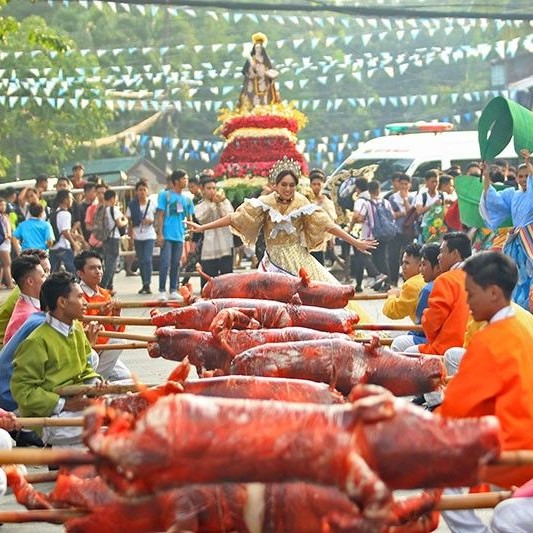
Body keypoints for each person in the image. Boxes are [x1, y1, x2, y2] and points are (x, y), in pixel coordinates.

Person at [439, 252, 533, 532]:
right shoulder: (524, 324)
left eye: (471, 295)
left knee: (441, 473)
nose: (467, 303)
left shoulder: (490, 341)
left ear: (494, 293)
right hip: (520, 440)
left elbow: (457, 408)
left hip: (515, 449)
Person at [187, 156, 376, 284]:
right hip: (272, 261)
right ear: (275, 185)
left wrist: (355, 241)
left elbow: (327, 224)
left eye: (292, 185)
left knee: (325, 290)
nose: (287, 189)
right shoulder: (265, 202)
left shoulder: (302, 202)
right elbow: (234, 218)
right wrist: (203, 228)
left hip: (298, 259)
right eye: (284, 185)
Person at [11, 272, 102, 446]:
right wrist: (65, 404)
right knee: (102, 424)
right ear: (62, 302)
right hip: (48, 417)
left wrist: (95, 384)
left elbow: (85, 369)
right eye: (80, 297)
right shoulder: (36, 342)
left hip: (72, 405)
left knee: (117, 408)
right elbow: (23, 391)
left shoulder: (75, 328)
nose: (85, 303)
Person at [398, 232, 471, 356]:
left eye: (442, 252)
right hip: (472, 345)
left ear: (455, 254)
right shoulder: (478, 276)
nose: (439, 257)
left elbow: (431, 324)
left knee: (405, 354)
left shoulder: (446, 280)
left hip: (447, 347)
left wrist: (426, 315)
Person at [480, 150, 533, 310]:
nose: (523, 179)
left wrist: (528, 160)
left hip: (530, 239)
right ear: (516, 178)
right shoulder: (512, 194)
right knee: (515, 277)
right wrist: (486, 175)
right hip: (516, 242)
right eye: (520, 176)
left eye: (527, 176)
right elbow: (492, 199)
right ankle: (518, 311)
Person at [75, 251, 131, 381]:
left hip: (103, 347)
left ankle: (98, 380)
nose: (98, 271)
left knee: (126, 378)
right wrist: (100, 316)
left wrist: (116, 315)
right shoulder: (76, 295)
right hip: (87, 349)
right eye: (92, 268)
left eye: (99, 267)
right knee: (118, 342)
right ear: (80, 273)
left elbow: (114, 332)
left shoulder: (104, 293)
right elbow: (78, 329)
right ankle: (94, 384)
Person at [157, 169, 195, 301]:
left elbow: (189, 217)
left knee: (176, 263)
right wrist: (159, 234)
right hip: (167, 234)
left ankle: (173, 289)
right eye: (184, 179)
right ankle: (162, 290)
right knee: (165, 262)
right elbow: (160, 215)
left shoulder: (187, 199)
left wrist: (190, 233)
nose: (186, 181)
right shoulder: (165, 195)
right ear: (176, 181)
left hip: (179, 235)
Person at [0, 248, 51, 344]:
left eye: (48, 272)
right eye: (43, 274)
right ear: (30, 281)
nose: (49, 277)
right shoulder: (27, 316)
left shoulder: (31, 298)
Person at [347, 178, 388, 292]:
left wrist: (350, 228)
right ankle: (360, 284)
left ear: (357, 188)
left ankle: (376, 275)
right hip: (379, 233)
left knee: (361, 256)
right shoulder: (377, 199)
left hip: (365, 234)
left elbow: (357, 216)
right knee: (372, 258)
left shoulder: (361, 200)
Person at [195, 177, 234, 288]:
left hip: (225, 247)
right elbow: (202, 219)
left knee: (227, 280)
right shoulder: (200, 206)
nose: (212, 191)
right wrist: (213, 205)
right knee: (208, 281)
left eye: (214, 188)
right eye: (209, 188)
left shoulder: (225, 202)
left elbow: (230, 217)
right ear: (202, 190)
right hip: (208, 248)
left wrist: (219, 204)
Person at [382, 243, 425, 323]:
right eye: (402, 263)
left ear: (420, 265)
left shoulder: (412, 285)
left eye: (407, 263)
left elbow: (392, 312)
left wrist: (392, 295)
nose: (403, 267)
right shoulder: (432, 277)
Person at [126, 180, 156, 295]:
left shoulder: (152, 203)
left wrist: (151, 221)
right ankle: (144, 283)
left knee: (147, 259)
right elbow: (129, 221)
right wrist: (130, 235)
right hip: (137, 234)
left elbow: (157, 217)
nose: (142, 192)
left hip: (149, 235)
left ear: (147, 191)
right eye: (140, 190)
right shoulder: (132, 205)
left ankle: (147, 282)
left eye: (144, 190)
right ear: (136, 192)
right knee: (141, 260)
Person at [238, 32, 280, 109]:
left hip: (264, 82)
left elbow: (270, 69)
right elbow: (245, 71)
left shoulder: (265, 59)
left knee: (265, 98)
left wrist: (269, 74)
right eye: (256, 47)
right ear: (254, 48)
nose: (258, 49)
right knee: (253, 98)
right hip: (253, 82)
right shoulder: (251, 59)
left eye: (259, 47)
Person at [308, 169, 337, 266]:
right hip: (307, 239)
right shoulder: (306, 200)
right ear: (310, 185)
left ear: (323, 184)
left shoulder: (327, 201)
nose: (316, 187)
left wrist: (331, 239)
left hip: (321, 239)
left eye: (318, 184)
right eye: (314, 184)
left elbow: (331, 220)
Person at [101, 189, 128, 291]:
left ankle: (108, 285)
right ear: (112, 198)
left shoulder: (103, 209)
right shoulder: (114, 209)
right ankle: (104, 285)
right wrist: (125, 220)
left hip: (105, 238)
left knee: (108, 262)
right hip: (114, 238)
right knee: (112, 264)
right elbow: (119, 223)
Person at [49, 189, 79, 274]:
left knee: (53, 273)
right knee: (73, 272)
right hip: (63, 247)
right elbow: (65, 232)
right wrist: (74, 244)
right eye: (70, 198)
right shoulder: (66, 214)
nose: (72, 200)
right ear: (65, 200)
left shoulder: (54, 213)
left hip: (54, 247)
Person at [0, 197, 14, 289]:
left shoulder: (5, 216)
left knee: (2, 265)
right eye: (1, 205)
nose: (3, 207)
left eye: (4, 205)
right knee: (7, 263)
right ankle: (9, 283)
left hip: (6, 242)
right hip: (3, 242)